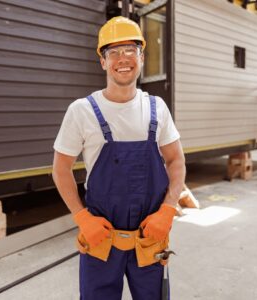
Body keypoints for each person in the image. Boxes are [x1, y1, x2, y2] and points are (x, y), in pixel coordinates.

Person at [52, 16, 186, 300]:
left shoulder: (157, 108)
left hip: (150, 239)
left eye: (129, 50)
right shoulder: (81, 110)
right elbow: (61, 168)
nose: (122, 59)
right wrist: (82, 217)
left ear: (141, 56)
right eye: (113, 52)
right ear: (102, 61)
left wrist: (168, 209)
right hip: (100, 241)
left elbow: (176, 161)